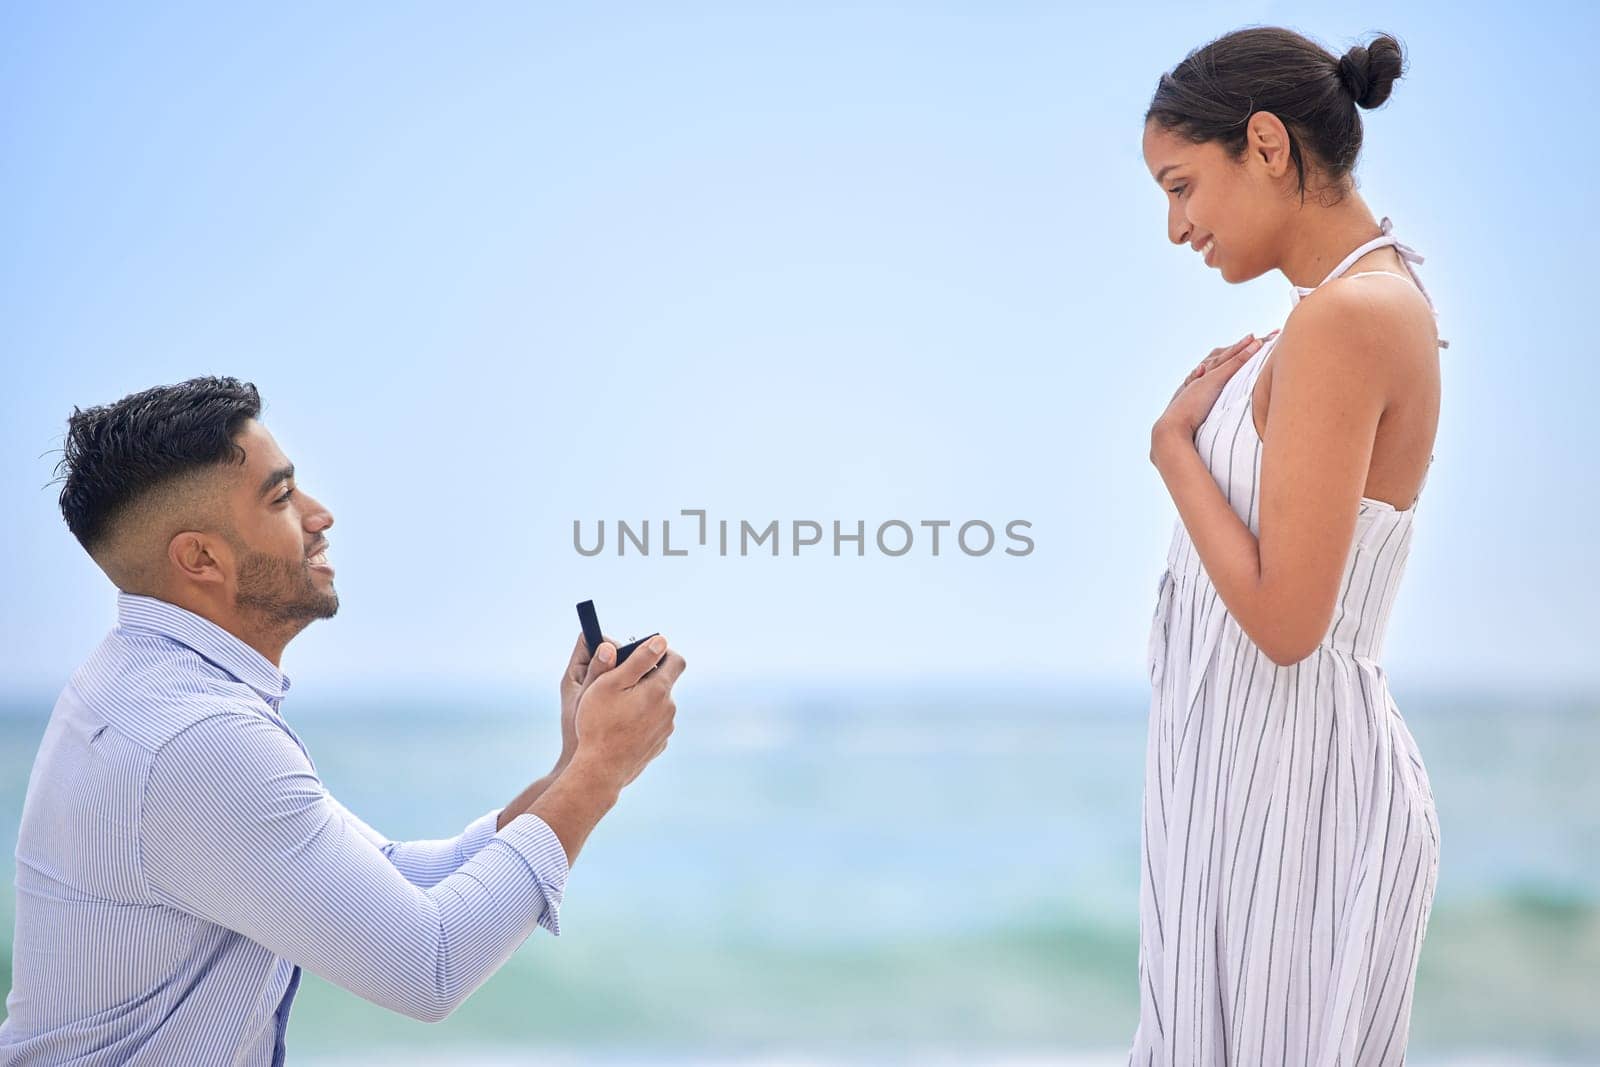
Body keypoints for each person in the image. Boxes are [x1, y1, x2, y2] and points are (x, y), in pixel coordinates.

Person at [0, 376, 686, 1065]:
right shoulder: (195, 740)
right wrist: (602, 770)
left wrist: (572, 759)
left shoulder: (149, 685)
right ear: (201, 557)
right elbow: (430, 961)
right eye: (281, 497)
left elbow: (396, 877)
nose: (319, 513)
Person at [1134, 27, 1443, 1066]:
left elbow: (1284, 621)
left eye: (1182, 186)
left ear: (1264, 143)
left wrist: (1173, 449)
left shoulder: (1348, 318)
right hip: (1254, 784)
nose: (1176, 227)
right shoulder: (1335, 310)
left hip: (1298, 801)